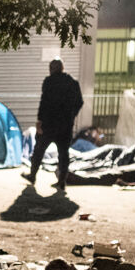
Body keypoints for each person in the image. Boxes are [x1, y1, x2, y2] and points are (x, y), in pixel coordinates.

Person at [24, 58, 84, 190]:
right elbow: (80, 102)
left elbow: (44, 102)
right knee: (63, 154)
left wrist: (40, 120)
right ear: (62, 68)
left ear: (51, 69)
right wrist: (71, 116)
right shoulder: (72, 83)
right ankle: (62, 181)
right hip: (65, 125)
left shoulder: (49, 82)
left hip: (49, 124)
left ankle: (32, 175)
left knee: (39, 150)